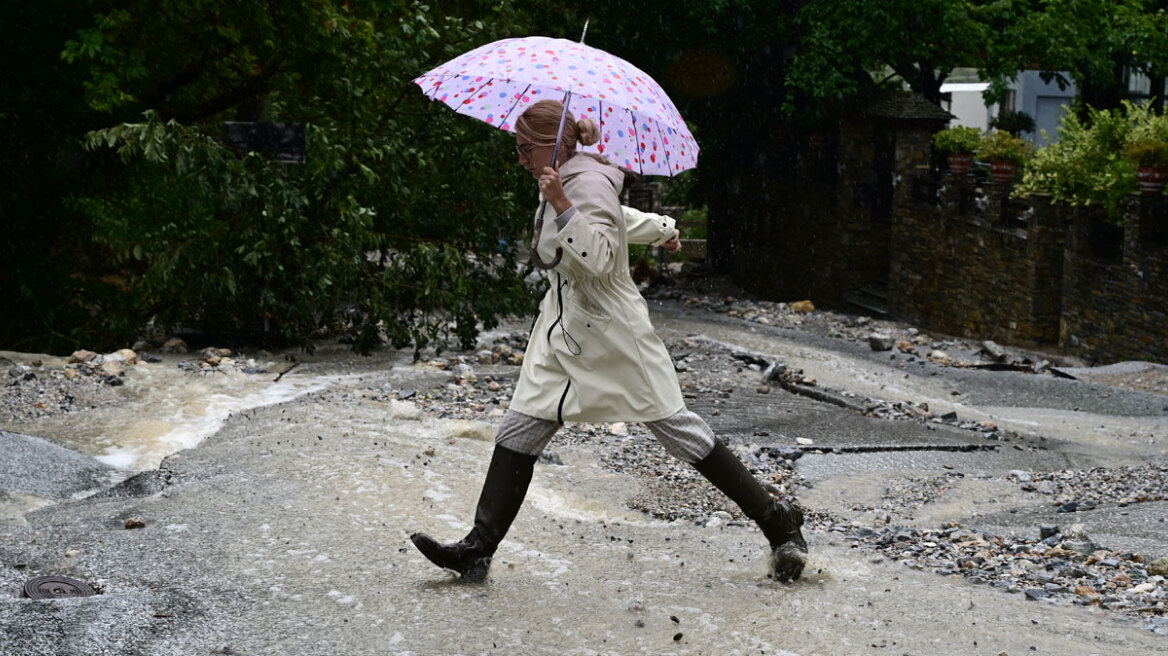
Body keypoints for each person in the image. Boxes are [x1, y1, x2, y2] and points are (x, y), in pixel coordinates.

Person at [410, 99, 808, 583]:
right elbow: (615, 219)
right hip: (565, 327)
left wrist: (559, 203)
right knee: (519, 428)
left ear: (550, 144)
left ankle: (777, 521)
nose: (519, 159)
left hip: (612, 332)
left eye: (524, 149)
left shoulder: (581, 179)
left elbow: (598, 255)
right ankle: (478, 548)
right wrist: (662, 229)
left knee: (677, 429)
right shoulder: (566, 174)